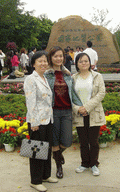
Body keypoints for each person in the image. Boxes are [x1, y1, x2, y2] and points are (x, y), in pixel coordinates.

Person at [45, 46, 82, 179]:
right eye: (55, 56)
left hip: (66, 111)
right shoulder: (46, 74)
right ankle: (59, 166)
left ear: (64, 57)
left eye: (61, 56)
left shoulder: (68, 75)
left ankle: (57, 155)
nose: (59, 58)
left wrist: (81, 107)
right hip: (53, 112)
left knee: (67, 141)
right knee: (54, 141)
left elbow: (73, 93)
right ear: (51, 58)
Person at [24, 51, 58, 192]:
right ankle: (35, 180)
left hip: (47, 119)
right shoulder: (31, 79)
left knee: (47, 148)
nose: (43, 63)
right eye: (40, 61)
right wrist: (34, 122)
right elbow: (30, 102)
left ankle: (45, 175)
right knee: (37, 151)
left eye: (45, 61)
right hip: (37, 121)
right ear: (33, 64)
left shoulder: (43, 78)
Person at [72, 52, 106, 176]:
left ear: (90, 62)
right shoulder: (73, 78)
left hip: (93, 112)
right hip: (79, 114)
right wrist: (77, 108)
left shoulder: (97, 76)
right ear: (77, 64)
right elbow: (70, 97)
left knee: (94, 141)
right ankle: (84, 163)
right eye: (80, 61)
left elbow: (101, 93)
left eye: (86, 61)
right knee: (83, 141)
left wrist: (86, 107)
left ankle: (94, 164)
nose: (84, 63)